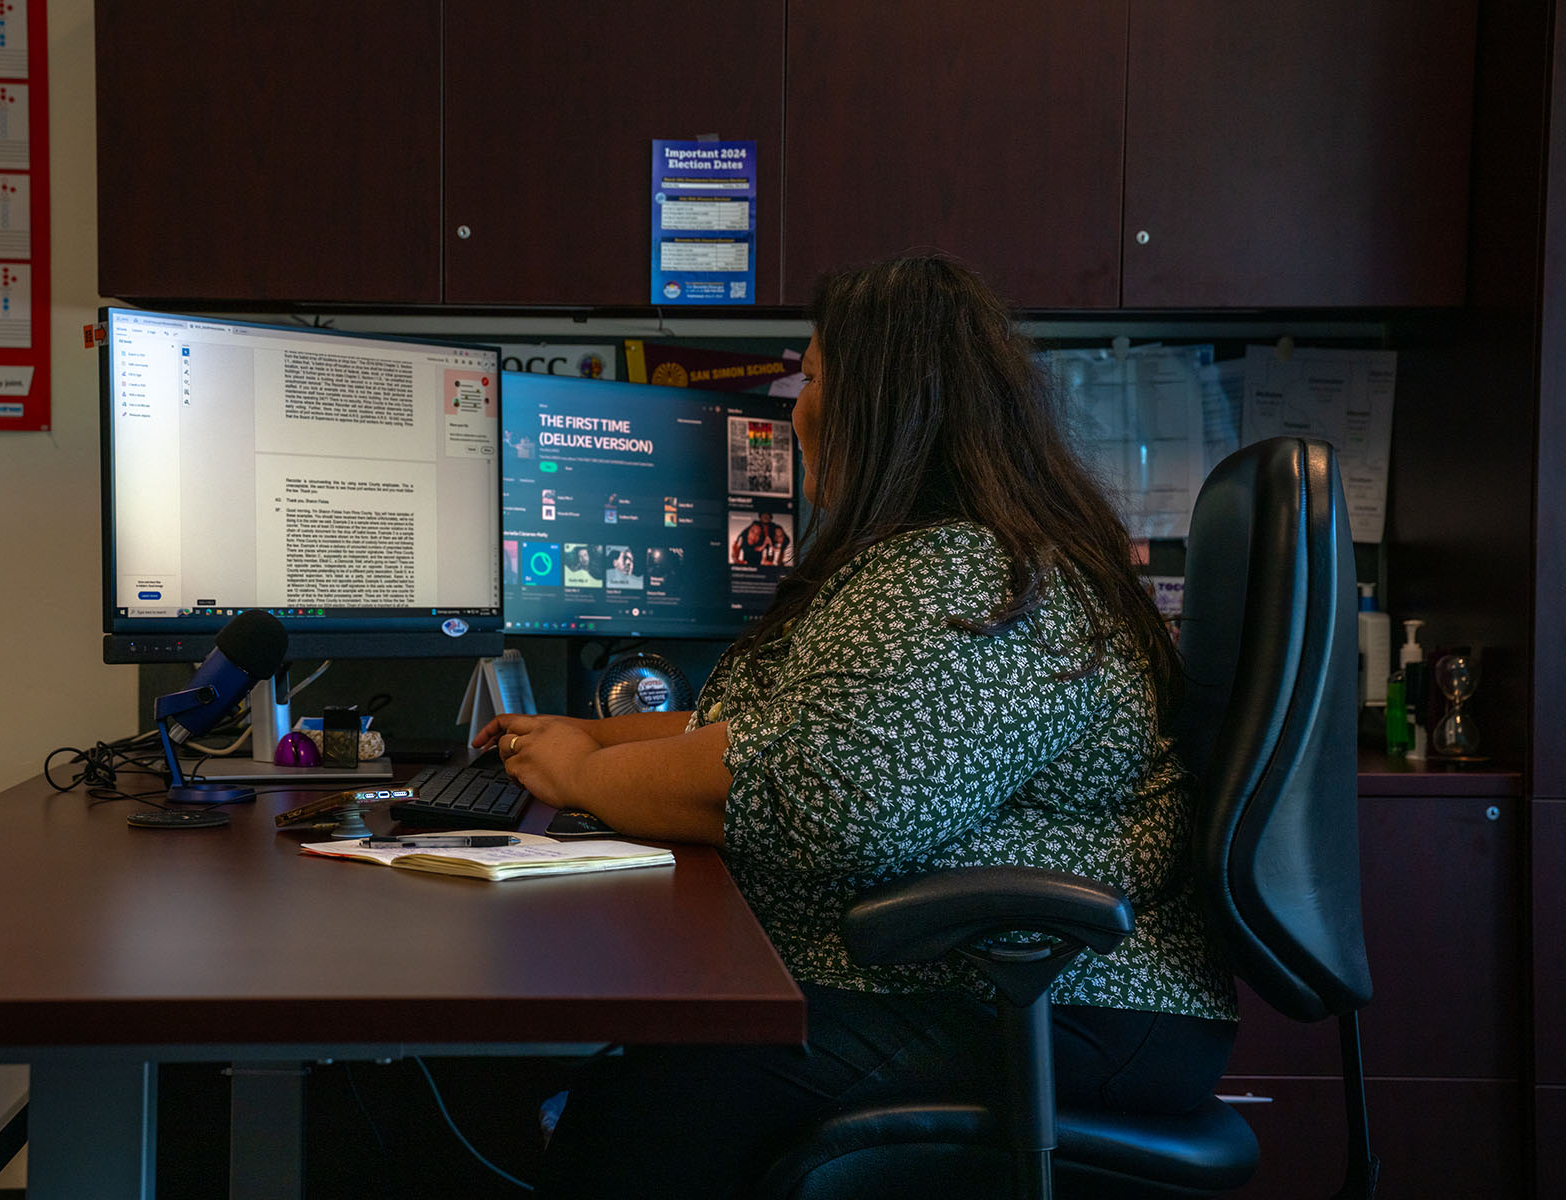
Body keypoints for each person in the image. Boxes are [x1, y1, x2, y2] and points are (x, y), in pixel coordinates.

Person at [472, 253, 1238, 1199]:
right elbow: (750, 726)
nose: (795, 404)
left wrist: (582, 779)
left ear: (880, 405)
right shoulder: (937, 562)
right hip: (992, 985)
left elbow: (833, 802)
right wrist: (577, 741)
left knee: (652, 1104)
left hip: (1056, 999)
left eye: (814, 375)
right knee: (651, 1062)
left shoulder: (971, 579)